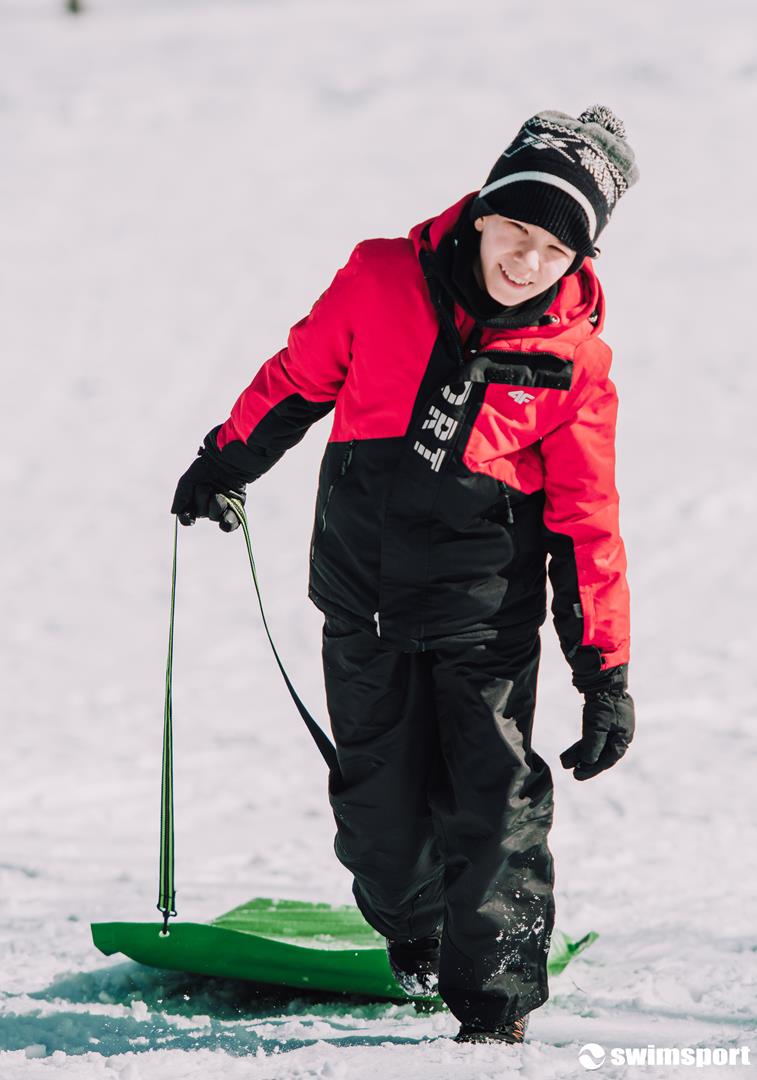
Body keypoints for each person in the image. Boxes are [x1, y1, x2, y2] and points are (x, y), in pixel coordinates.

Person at [172, 104, 639, 1045]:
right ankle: (416, 934)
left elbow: (585, 520)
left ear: (577, 258)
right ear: (482, 212)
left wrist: (604, 672)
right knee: (378, 826)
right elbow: (298, 378)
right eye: (516, 231)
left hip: (483, 620)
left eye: (554, 249)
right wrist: (225, 461)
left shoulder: (572, 362)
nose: (527, 261)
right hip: (364, 604)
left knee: (492, 809)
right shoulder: (382, 278)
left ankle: (495, 1010)